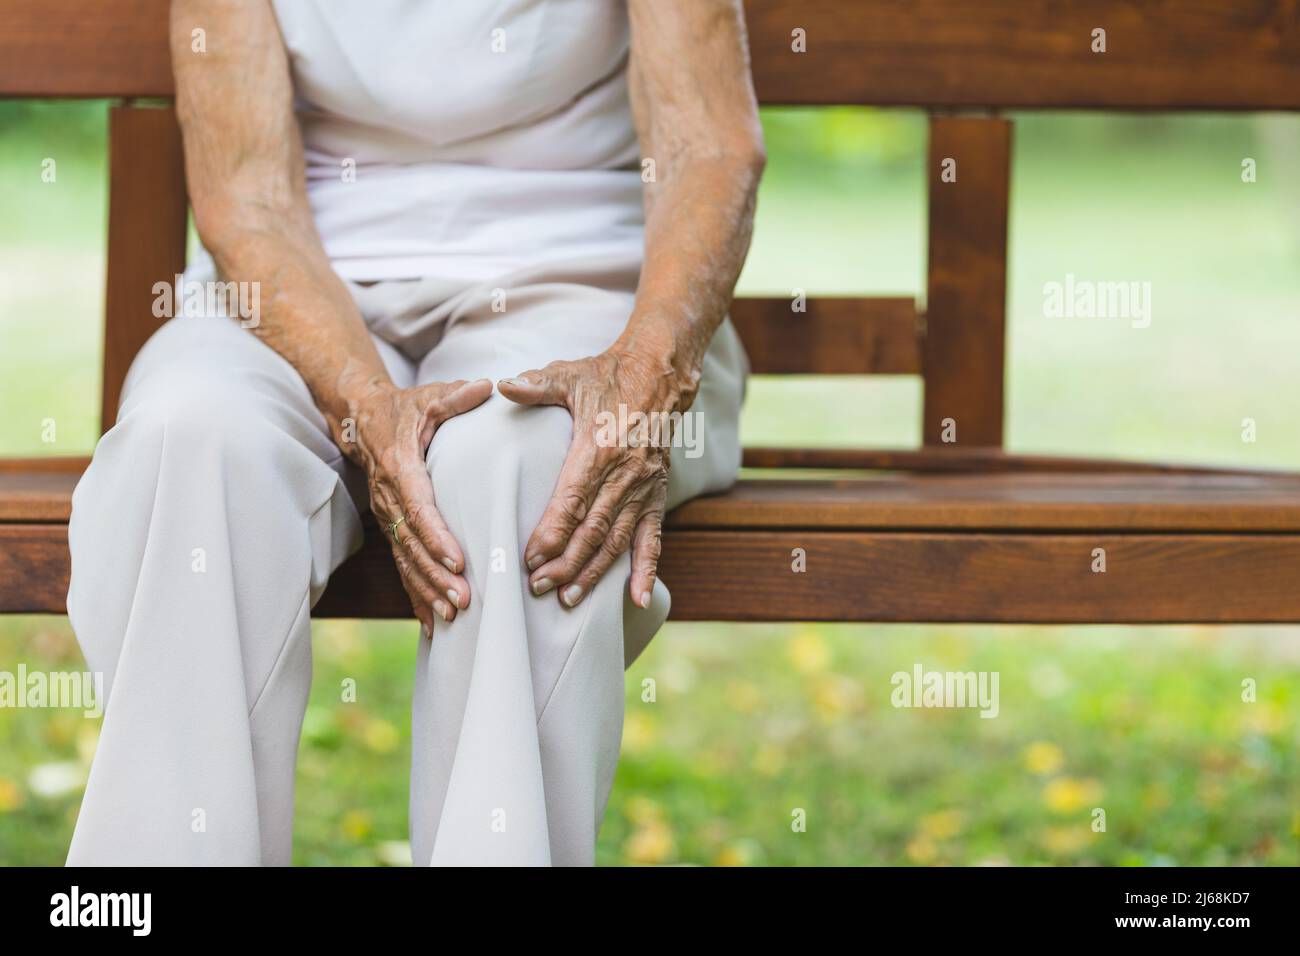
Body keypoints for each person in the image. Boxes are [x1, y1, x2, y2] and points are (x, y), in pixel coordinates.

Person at [66, 0, 763, 866]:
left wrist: (646, 373)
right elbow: (247, 196)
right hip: (291, 290)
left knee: (530, 468)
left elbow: (711, 144)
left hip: (580, 279)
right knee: (189, 445)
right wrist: (361, 397)